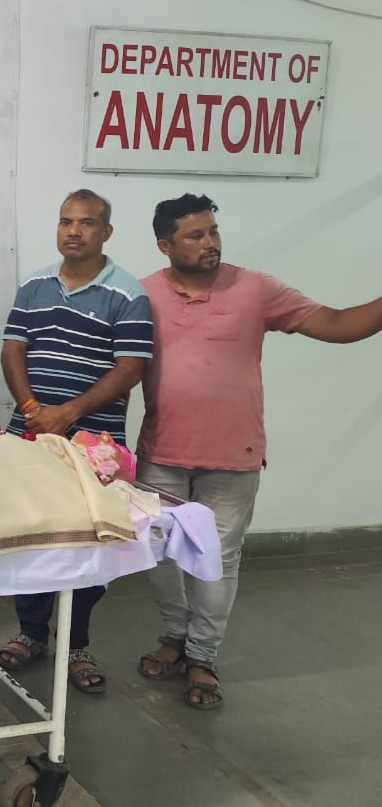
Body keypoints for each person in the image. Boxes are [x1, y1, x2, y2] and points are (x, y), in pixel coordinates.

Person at [134, 193, 382, 711]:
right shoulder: (143, 295)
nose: (210, 242)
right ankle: (174, 636)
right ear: (165, 245)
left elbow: (338, 325)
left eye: (213, 231)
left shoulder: (256, 289)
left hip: (234, 455)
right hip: (162, 452)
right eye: (195, 235)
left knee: (218, 560)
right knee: (159, 553)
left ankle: (202, 656)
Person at [0, 189, 153, 694]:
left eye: (86, 223)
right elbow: (12, 351)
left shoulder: (128, 294)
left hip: (94, 444)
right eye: (66, 222)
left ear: (106, 232)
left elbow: (130, 368)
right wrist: (31, 409)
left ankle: (76, 642)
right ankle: (30, 632)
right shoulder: (34, 286)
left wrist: (68, 413)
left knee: (89, 541)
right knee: (31, 534)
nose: (74, 231)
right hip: (31, 436)